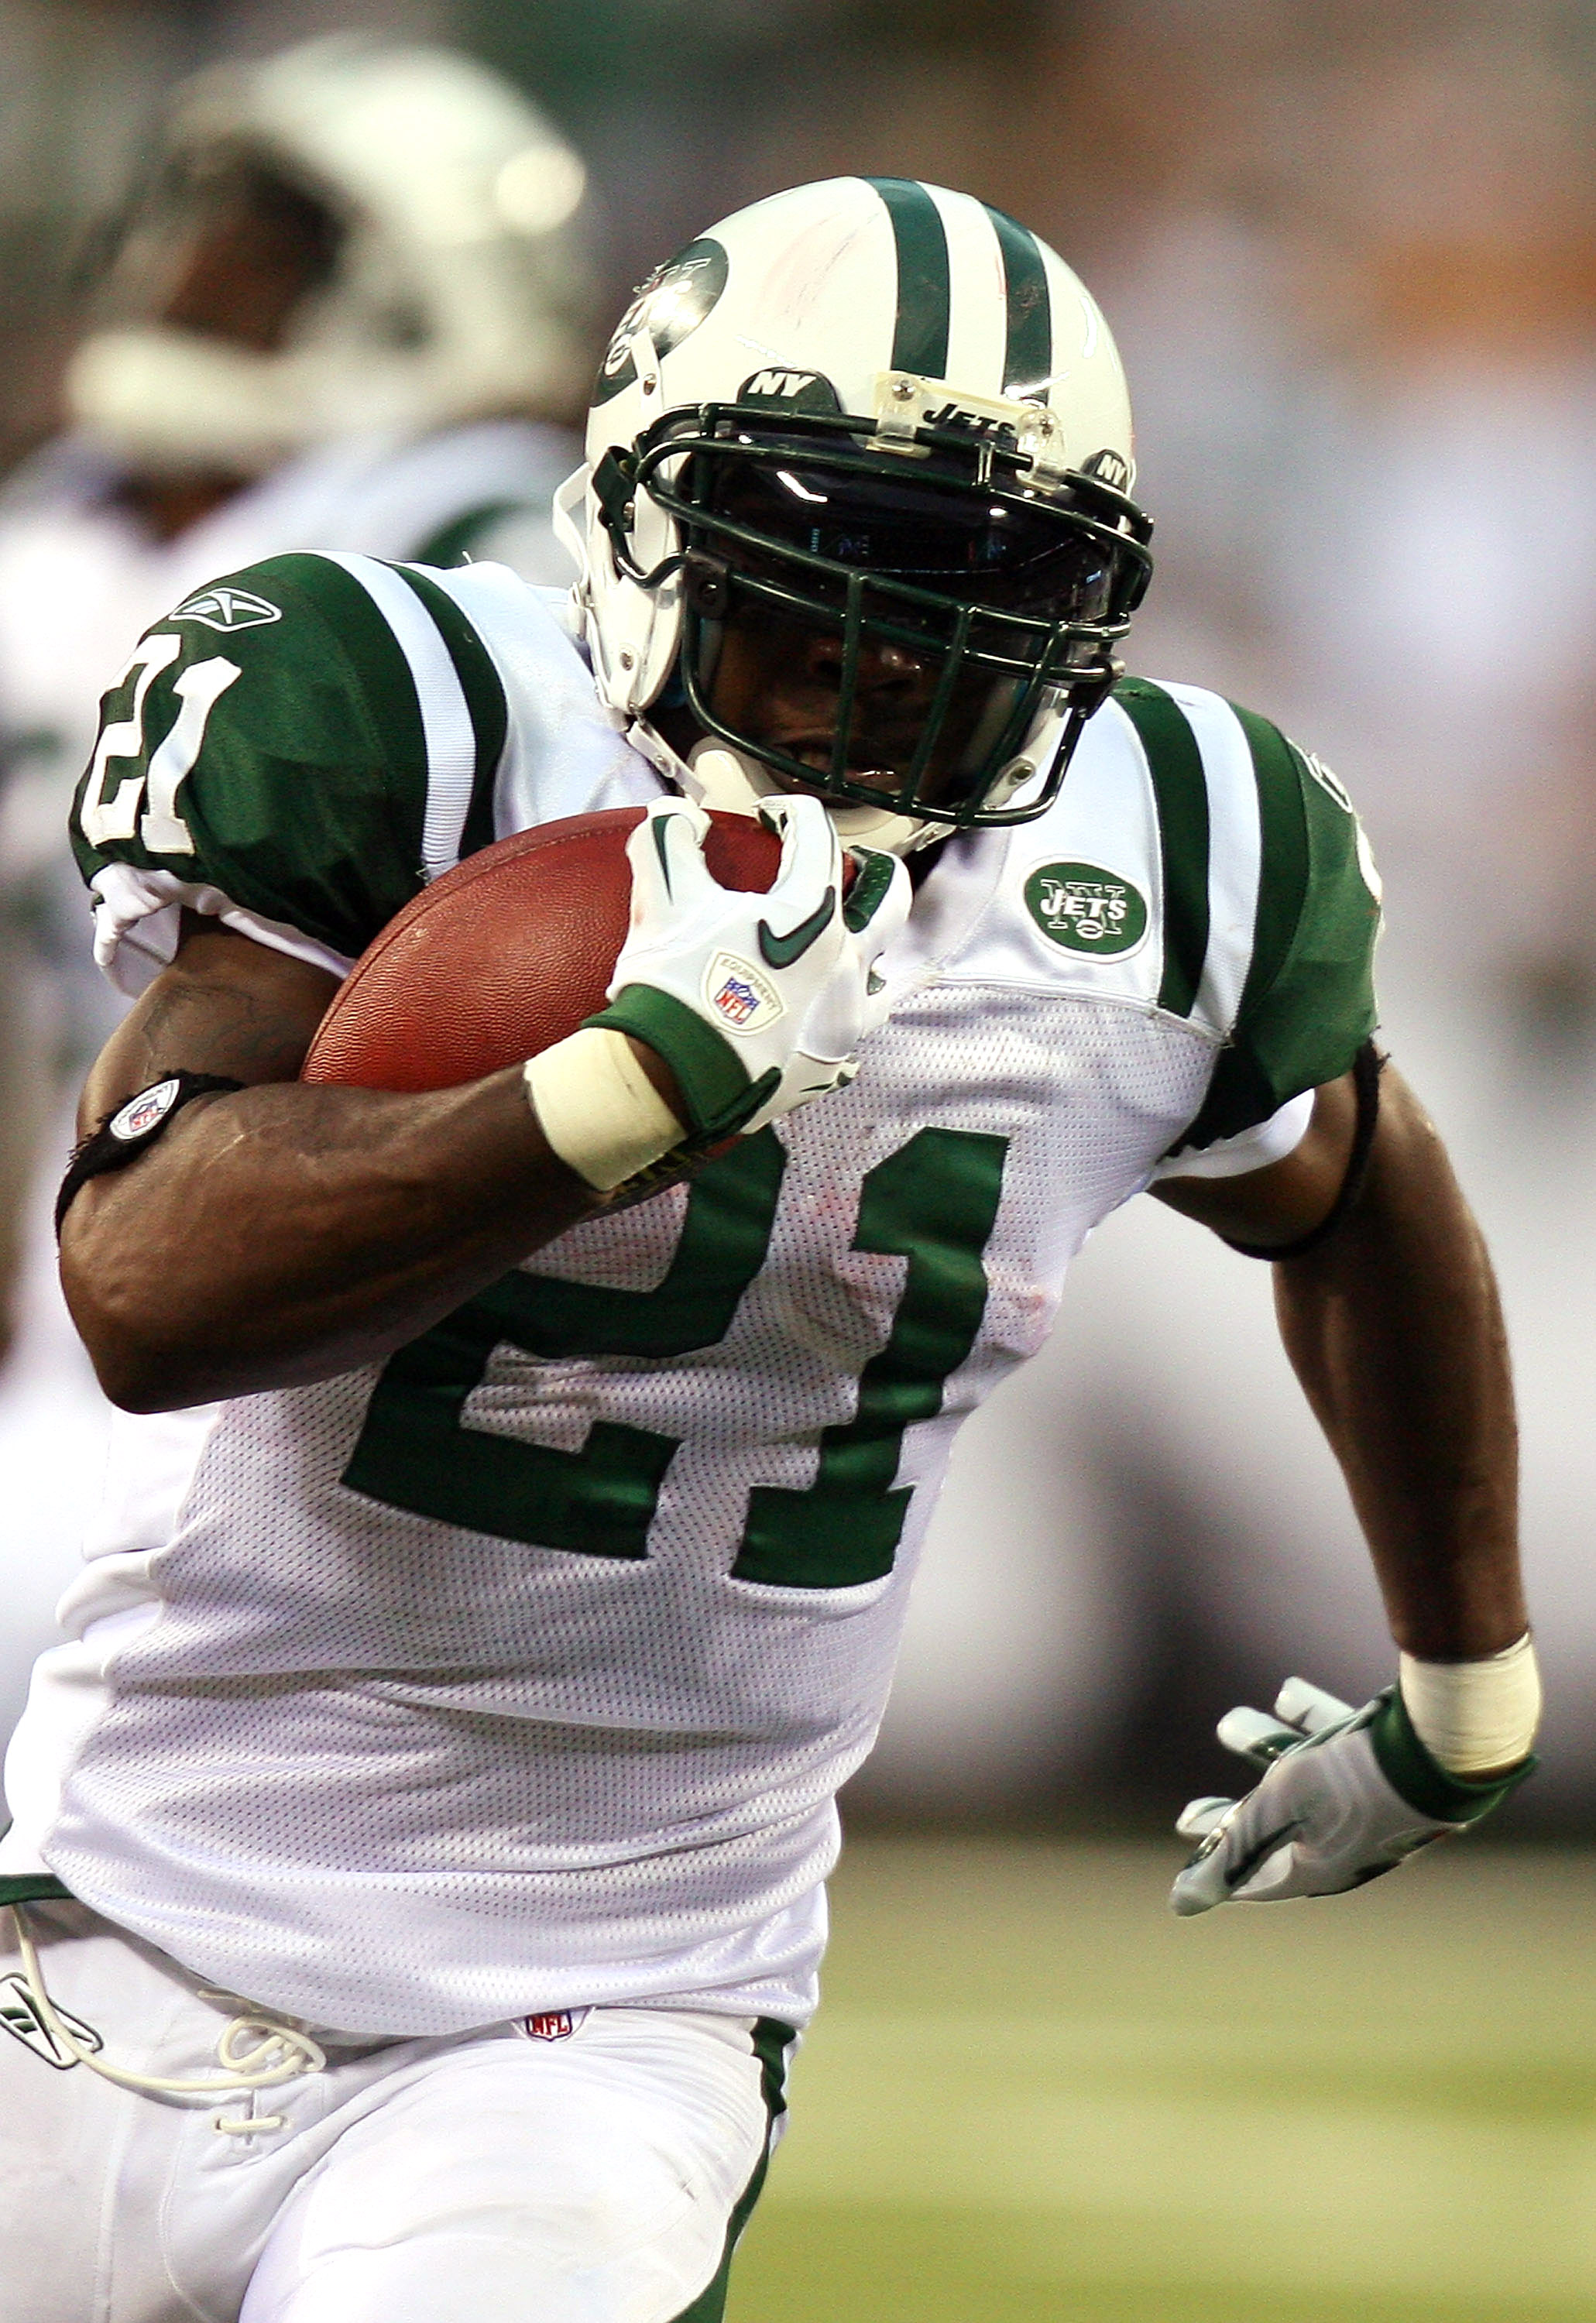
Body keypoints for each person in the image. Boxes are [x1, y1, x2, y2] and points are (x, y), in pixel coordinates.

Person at [0, 177, 1539, 2323]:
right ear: (631, 532)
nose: (869, 681)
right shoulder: (418, 712)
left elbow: (1364, 1196)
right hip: (116, 1921)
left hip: (591, 2011)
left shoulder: (1172, 847)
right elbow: (147, 1291)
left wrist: (1460, 1689)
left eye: (955, 609)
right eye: (798, 599)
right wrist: (613, 1090)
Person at [0, 31, 596, 1740]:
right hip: (107, 1292)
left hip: (372, 1365)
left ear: (413, 282)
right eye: (197, 222)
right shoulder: (64, 535)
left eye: (265, 242)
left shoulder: (490, 552)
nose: (189, 272)